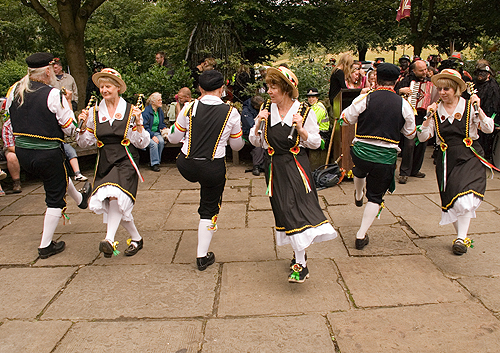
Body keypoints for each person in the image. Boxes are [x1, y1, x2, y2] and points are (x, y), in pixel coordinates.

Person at [250, 66, 337, 283]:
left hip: (296, 166)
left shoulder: (304, 112)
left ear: (286, 89)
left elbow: (316, 143)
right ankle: (299, 253)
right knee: (283, 210)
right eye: (268, 86)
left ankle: (302, 266)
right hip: (274, 168)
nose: (269, 91)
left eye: (274, 87)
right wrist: (258, 123)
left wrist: (302, 130)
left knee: (293, 209)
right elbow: (255, 141)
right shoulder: (266, 110)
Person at [6, 52, 91, 259]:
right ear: (47, 71)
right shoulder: (53, 94)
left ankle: (80, 199)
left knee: (59, 176)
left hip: (23, 154)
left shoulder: (14, 91)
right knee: (54, 199)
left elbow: (10, 119)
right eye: (52, 68)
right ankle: (45, 246)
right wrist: (69, 105)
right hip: (47, 153)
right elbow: (70, 129)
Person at [168, 70, 244, 271]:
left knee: (199, 176)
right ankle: (202, 256)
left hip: (186, 166)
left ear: (200, 88)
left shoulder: (188, 107)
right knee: (209, 209)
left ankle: (203, 252)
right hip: (212, 168)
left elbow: (174, 138)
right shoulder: (231, 112)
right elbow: (237, 146)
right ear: (222, 89)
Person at [417, 69, 495, 255]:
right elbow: (422, 138)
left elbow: (488, 129)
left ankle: (461, 237)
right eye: (440, 89)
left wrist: (480, 110)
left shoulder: (470, 107)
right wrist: (427, 118)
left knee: (465, 199)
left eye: (446, 89)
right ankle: (461, 237)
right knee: (452, 199)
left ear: (456, 89)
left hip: (470, 156)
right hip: (447, 159)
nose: (442, 92)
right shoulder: (434, 111)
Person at [340, 63, 416, 250]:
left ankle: (358, 194)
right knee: (375, 197)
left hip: (361, 153)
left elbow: (345, 119)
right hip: (385, 157)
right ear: (397, 80)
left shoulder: (365, 98)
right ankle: (360, 235)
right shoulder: (404, 104)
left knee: (360, 168)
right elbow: (410, 133)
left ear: (376, 78)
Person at [76, 68, 150, 258]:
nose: (104, 90)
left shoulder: (131, 110)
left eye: (108, 86)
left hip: (126, 159)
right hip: (105, 161)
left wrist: (139, 124)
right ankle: (136, 238)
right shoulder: (93, 112)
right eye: (101, 86)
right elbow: (84, 144)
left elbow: (142, 143)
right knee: (115, 202)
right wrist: (82, 127)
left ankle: (109, 239)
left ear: (118, 88)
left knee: (116, 195)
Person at [395, 59, 430, 184]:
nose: (425, 72)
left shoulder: (430, 82)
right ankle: (404, 172)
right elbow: (394, 95)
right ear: (413, 70)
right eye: (421, 70)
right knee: (409, 144)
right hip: (410, 116)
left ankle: (415, 170)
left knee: (422, 144)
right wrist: (400, 91)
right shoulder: (406, 81)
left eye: (425, 69)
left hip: (424, 116)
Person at [473, 61, 500, 162]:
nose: (480, 75)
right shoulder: (473, 84)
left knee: (485, 141)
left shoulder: (492, 86)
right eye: (479, 72)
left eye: (483, 73)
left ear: (488, 74)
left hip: (486, 119)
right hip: (473, 118)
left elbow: (495, 105)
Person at [143, 92, 167, 172]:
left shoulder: (159, 111)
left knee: (161, 142)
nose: (161, 102)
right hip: (146, 133)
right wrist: (152, 136)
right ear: (153, 102)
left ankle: (157, 162)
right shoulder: (146, 112)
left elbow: (161, 123)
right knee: (154, 144)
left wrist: (164, 129)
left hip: (156, 132)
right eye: (159, 100)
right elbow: (145, 127)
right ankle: (154, 164)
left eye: (161, 100)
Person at [241, 95, 265, 176]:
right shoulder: (246, 112)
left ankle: (265, 165)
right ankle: (256, 166)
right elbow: (251, 125)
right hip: (248, 133)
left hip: (262, 130)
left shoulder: (263, 108)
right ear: (255, 106)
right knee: (258, 142)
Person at [1, 118, 22, 193]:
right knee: (11, 157)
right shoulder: (8, 125)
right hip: (14, 149)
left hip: (32, 147)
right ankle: (16, 182)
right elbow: (9, 146)